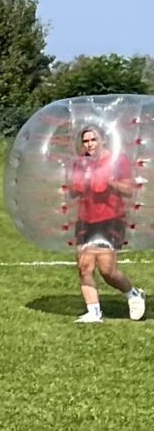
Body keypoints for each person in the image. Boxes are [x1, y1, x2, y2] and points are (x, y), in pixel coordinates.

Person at [67, 122, 146, 324]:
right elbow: (73, 191)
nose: (89, 145)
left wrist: (110, 181)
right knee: (84, 267)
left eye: (93, 139)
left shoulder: (117, 160)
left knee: (107, 270)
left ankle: (133, 294)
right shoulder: (80, 162)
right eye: (85, 141)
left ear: (102, 139)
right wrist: (79, 184)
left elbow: (129, 190)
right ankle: (93, 313)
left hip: (110, 219)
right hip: (85, 220)